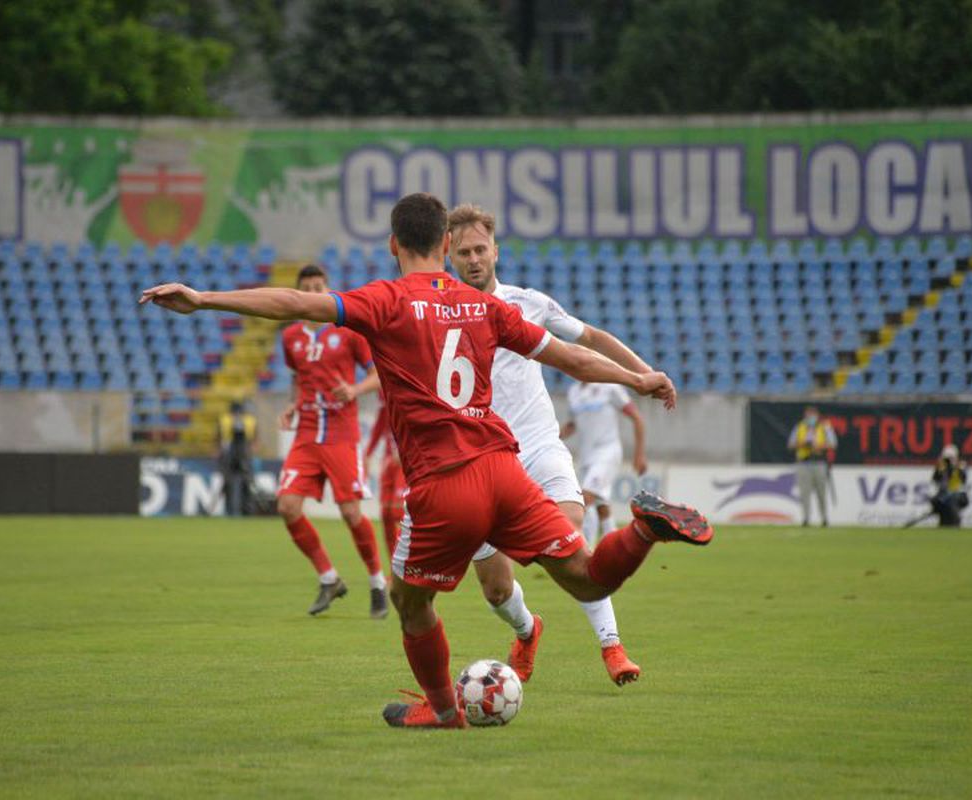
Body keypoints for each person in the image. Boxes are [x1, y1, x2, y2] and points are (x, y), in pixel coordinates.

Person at [140, 193, 713, 730]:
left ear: (394, 245)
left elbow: (293, 303)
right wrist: (638, 377)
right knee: (586, 580)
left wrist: (204, 298)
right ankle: (641, 531)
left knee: (410, 602)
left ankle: (442, 712)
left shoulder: (382, 301)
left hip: (443, 484)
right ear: (445, 245)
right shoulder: (485, 306)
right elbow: (574, 359)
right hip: (503, 469)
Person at [448, 203, 650, 686]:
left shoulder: (528, 303)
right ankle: (527, 628)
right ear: (449, 256)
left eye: (481, 249)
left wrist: (643, 374)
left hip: (538, 447)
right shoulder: (438, 313)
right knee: (497, 591)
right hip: (477, 461)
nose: (474, 259)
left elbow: (591, 337)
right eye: (463, 252)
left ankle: (612, 647)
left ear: (496, 250)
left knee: (570, 533)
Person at [276, 264, 388, 618]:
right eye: (306, 286)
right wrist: (294, 404)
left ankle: (377, 583)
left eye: (319, 286)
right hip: (307, 432)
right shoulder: (290, 336)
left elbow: (379, 375)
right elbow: (297, 376)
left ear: (327, 288)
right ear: (298, 291)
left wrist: (354, 389)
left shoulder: (348, 330)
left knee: (351, 512)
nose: (313, 291)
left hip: (341, 432)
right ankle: (329, 578)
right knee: (287, 506)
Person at [562, 380, 648, 548]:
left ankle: (586, 551)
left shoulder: (610, 388)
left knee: (584, 500)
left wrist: (639, 455)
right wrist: (553, 436)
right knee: (602, 506)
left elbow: (637, 418)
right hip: (587, 457)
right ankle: (618, 548)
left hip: (607, 452)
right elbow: (573, 424)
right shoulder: (573, 391)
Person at [365, 399, 405, 559]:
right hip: (388, 461)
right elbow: (380, 425)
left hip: (407, 461)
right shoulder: (384, 395)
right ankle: (394, 568)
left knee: (399, 513)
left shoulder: (410, 386)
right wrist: (368, 453)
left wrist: (404, 449)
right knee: (386, 514)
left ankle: (413, 565)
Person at [786, 405, 837, 526]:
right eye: (808, 415)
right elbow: (790, 444)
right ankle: (806, 519)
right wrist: (802, 443)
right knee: (804, 493)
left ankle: (824, 518)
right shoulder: (799, 427)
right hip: (803, 462)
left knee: (821, 493)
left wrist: (819, 446)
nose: (810, 418)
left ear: (817, 416)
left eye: (812, 415)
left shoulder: (824, 427)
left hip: (819, 462)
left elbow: (833, 444)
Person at [218, 400, 257, 516]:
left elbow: (218, 438)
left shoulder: (224, 420)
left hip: (235, 454)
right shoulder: (250, 420)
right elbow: (255, 439)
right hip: (237, 454)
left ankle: (234, 509)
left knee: (235, 483)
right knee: (243, 483)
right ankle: (245, 510)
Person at [930, 443, 969, 527]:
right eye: (947, 458)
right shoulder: (941, 467)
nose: (948, 461)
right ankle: (943, 523)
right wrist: (940, 469)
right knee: (935, 501)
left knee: (952, 501)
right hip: (944, 495)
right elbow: (935, 479)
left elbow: (963, 480)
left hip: (958, 495)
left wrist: (957, 467)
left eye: (951, 458)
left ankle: (955, 523)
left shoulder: (960, 467)